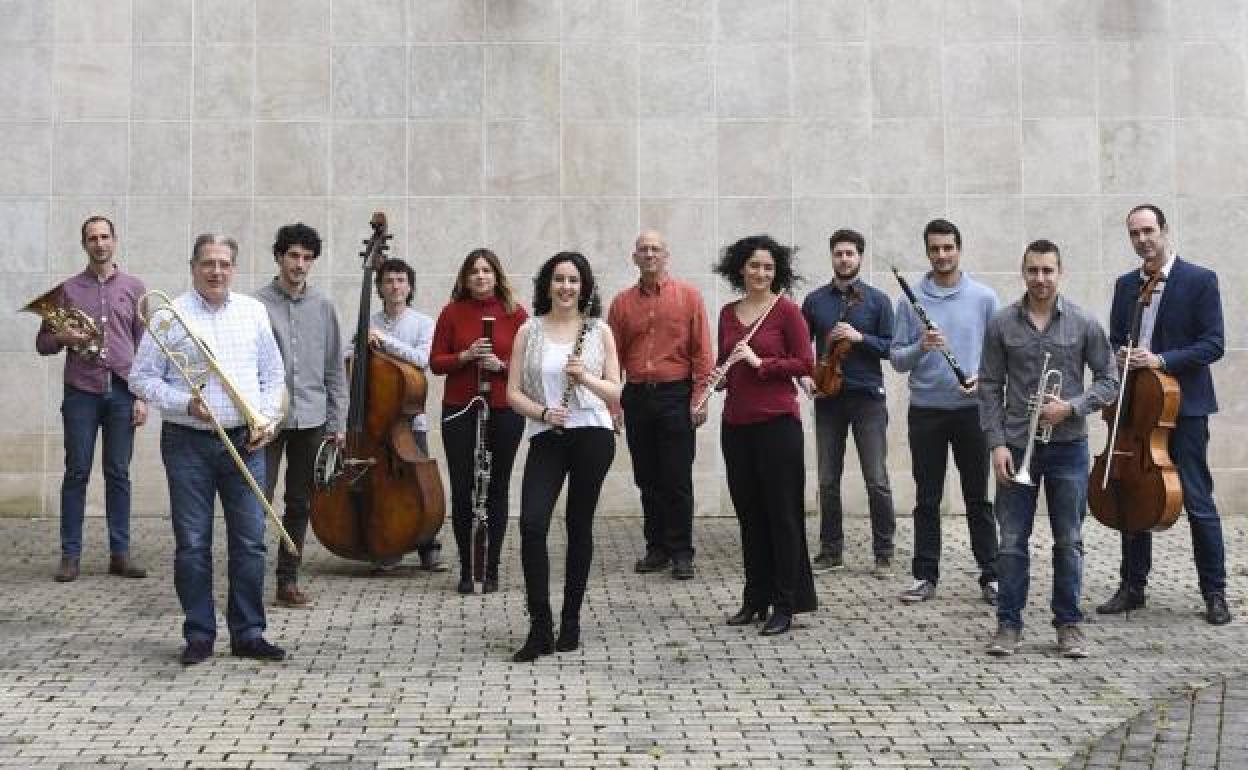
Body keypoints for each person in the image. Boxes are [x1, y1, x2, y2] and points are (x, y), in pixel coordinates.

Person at [130, 234, 288, 665]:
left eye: (224, 263)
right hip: (188, 444)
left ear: (233, 268)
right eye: (207, 263)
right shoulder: (170, 315)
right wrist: (185, 404)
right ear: (193, 266)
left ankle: (249, 633)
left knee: (251, 544)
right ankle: (199, 634)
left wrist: (267, 422)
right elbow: (140, 379)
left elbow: (274, 377)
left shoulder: (254, 312)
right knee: (193, 544)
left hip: (245, 441)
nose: (216, 271)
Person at [1095, 204, 1232, 626]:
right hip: (1137, 407)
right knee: (1132, 491)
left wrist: (1161, 360)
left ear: (1164, 231)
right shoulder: (1124, 286)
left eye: (1148, 231)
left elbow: (1213, 344)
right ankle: (1132, 586)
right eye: (1135, 234)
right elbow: (1118, 337)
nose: (1142, 240)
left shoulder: (1199, 280)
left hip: (1182, 408)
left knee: (1196, 498)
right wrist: (1121, 352)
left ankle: (1215, 591)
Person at [979, 240, 1117, 658]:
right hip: (1018, 445)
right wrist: (997, 444)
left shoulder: (1083, 322)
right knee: (1011, 541)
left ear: (1061, 272)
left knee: (1068, 540)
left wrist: (1071, 407)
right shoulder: (1002, 323)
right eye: (1033, 270)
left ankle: (1068, 625)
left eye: (1048, 271)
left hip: (1068, 447)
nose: (1040, 279)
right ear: (1023, 272)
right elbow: (988, 386)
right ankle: (1008, 625)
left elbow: (1109, 380)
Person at [505, 252, 621, 662]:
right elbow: (512, 393)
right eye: (559, 279)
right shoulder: (528, 331)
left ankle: (571, 620)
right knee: (533, 524)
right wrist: (542, 412)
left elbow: (615, 392)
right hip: (548, 435)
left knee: (578, 524)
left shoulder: (598, 331)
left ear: (584, 287)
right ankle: (540, 626)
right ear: (547, 285)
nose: (566, 287)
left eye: (574, 280)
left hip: (592, 433)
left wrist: (584, 377)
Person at [890, 219, 1000, 605]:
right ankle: (924, 576)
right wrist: (922, 345)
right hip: (926, 412)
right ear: (927, 252)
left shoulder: (984, 297)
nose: (941, 255)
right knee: (927, 497)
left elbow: (999, 354)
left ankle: (992, 575)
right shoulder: (909, 300)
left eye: (947, 248)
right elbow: (897, 360)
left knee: (977, 497)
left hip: (971, 410)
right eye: (934, 249)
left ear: (959, 248)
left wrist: (982, 380)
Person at [713, 234, 817, 637]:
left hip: (778, 425)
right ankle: (754, 597)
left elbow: (805, 363)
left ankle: (785, 603)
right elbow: (724, 361)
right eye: (755, 266)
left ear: (778, 273)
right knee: (749, 515)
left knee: (782, 516)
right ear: (741, 268)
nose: (761, 273)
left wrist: (761, 363)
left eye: (769, 268)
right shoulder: (726, 313)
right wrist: (717, 381)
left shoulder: (786, 311)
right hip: (736, 424)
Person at [36, 216, 148, 582]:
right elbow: (42, 344)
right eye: (92, 238)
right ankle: (70, 557)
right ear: (84, 244)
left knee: (118, 474)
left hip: (121, 391)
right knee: (76, 472)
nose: (99, 243)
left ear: (115, 241)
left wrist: (141, 396)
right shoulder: (66, 290)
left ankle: (120, 554)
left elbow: (144, 348)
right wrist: (63, 338)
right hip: (81, 392)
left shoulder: (135, 288)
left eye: (104, 237)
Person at [607, 230, 713, 580]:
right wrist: (612, 404)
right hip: (637, 397)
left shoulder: (689, 297)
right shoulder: (621, 303)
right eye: (643, 250)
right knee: (647, 477)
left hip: (675, 396)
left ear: (666, 255)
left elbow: (702, 352)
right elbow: (613, 358)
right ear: (634, 257)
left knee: (677, 477)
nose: (650, 254)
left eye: (655, 249)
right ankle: (657, 549)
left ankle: (682, 551)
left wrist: (701, 398)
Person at [255, 223, 348, 608]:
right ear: (278, 257)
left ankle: (287, 580)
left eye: (307, 258)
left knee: (299, 503)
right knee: (257, 499)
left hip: (311, 420)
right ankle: (247, 579)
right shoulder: (255, 305)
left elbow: (334, 371)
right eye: (293, 255)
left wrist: (337, 424)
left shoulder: (323, 307)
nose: (300, 264)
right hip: (267, 421)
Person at [799, 228, 896, 577]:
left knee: (876, 478)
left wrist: (860, 337)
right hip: (828, 398)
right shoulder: (814, 301)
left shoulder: (878, 300)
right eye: (838, 253)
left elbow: (891, 348)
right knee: (827, 479)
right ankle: (830, 551)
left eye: (850, 253)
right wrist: (804, 377)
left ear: (859, 257)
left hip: (868, 398)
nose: (844, 259)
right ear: (831, 256)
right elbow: (799, 347)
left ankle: (884, 552)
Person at [431, 248, 528, 595]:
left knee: (496, 489)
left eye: (487, 270)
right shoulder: (451, 312)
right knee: (463, 490)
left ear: (496, 275)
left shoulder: (515, 315)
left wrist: (499, 366)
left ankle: (491, 569)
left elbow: (526, 366)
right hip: (460, 408)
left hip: (503, 408)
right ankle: (467, 567)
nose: (481, 276)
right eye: (474, 271)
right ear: (465, 278)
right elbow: (436, 362)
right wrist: (466, 356)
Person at [364, 257, 444, 571]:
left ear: (409, 287)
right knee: (382, 486)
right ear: (380, 288)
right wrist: (360, 344)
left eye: (400, 280)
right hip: (376, 421)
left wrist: (384, 342)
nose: (395, 286)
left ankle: (428, 546)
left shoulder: (423, 323)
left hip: (409, 418)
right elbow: (347, 359)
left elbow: (422, 360)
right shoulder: (368, 321)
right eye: (388, 281)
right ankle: (387, 543)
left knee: (419, 486)